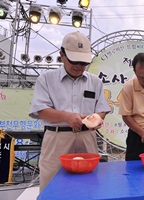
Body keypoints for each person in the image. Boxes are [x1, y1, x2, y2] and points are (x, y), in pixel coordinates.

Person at [29, 31, 111, 192]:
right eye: (75, 61)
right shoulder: (46, 79)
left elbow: (102, 109)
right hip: (57, 138)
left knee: (89, 185)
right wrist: (68, 117)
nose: (79, 66)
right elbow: (41, 111)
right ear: (62, 55)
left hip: (87, 137)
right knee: (52, 184)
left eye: (83, 62)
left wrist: (97, 118)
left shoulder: (95, 82)